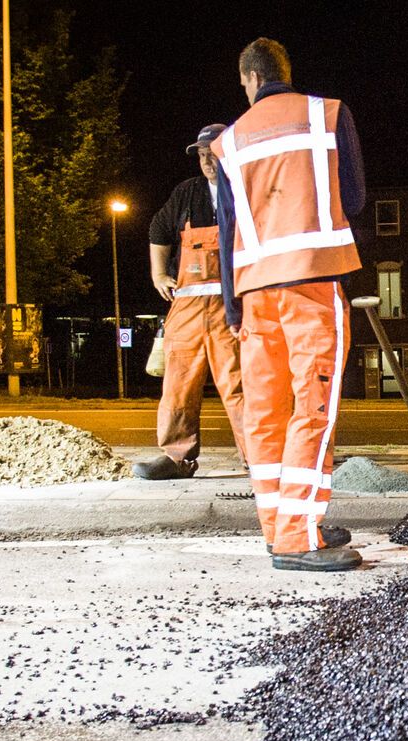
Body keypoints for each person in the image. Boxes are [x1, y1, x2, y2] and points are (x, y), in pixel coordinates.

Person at [209, 38, 367, 571]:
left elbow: (226, 228)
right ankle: (299, 539)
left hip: (254, 294)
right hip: (311, 284)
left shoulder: (228, 143)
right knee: (312, 408)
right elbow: (356, 196)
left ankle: (281, 526)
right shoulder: (326, 115)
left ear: (249, 81)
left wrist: (232, 307)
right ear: (283, 73)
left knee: (266, 412)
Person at [134, 124, 249, 481]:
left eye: (213, 154)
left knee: (240, 383)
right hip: (185, 309)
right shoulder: (187, 193)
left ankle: (259, 458)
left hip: (230, 306)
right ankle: (176, 456)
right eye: (202, 156)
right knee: (178, 384)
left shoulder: (245, 190)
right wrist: (158, 276)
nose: (207, 162)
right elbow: (157, 230)